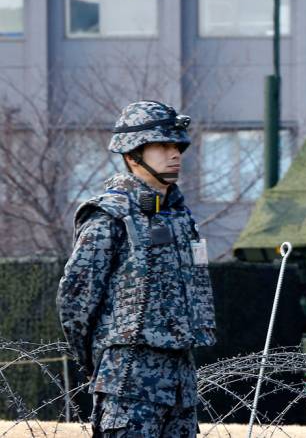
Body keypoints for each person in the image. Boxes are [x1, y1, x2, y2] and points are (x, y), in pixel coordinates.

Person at [57, 100, 217, 437]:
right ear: (133, 155)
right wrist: (95, 362)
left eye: (176, 146)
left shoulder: (180, 217)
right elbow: (76, 300)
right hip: (129, 381)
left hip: (180, 384)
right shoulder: (108, 215)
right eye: (162, 146)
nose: (174, 154)